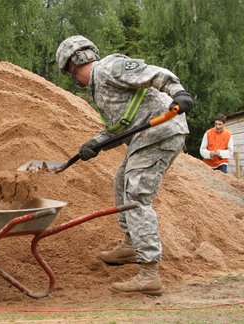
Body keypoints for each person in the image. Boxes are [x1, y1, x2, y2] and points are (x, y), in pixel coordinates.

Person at [55, 35, 194, 296]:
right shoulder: (101, 87)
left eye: (69, 73)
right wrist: (95, 143)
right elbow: (122, 125)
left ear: (73, 64)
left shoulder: (108, 68)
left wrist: (178, 92)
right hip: (147, 136)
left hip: (161, 130)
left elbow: (153, 73)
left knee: (136, 195)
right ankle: (132, 242)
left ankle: (149, 273)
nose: (73, 80)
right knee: (122, 179)